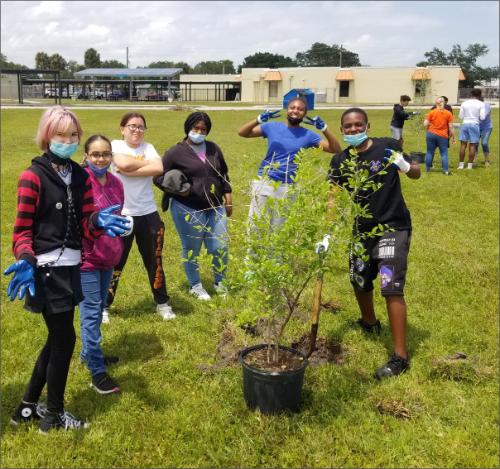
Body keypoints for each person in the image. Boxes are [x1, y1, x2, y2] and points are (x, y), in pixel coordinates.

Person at [4, 106, 131, 432]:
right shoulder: (32, 177)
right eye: (61, 135)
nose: (68, 140)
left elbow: (86, 226)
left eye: (73, 135)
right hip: (46, 271)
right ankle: (54, 416)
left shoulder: (79, 175)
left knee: (56, 338)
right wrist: (25, 258)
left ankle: (27, 407)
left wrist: (97, 221)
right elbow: (21, 231)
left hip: (73, 267)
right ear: (47, 136)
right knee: (65, 339)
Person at [329, 107, 421, 380]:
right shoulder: (340, 161)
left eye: (359, 125)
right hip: (361, 230)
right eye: (349, 126)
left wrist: (406, 166)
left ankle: (400, 357)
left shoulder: (387, 147)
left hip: (393, 226)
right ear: (343, 129)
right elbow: (332, 197)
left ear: (367, 125)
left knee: (390, 286)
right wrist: (325, 231)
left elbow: (415, 173)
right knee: (358, 279)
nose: (354, 130)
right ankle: (369, 322)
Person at [153, 112, 232, 300]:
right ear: (188, 128)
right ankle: (195, 285)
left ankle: (220, 282)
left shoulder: (213, 148)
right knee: (191, 248)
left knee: (219, 247)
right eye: (196, 128)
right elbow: (157, 175)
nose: (199, 132)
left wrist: (228, 198)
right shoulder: (176, 152)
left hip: (215, 208)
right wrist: (178, 189)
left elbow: (224, 174)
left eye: (203, 129)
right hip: (187, 208)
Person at [105, 112, 175, 321]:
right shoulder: (115, 145)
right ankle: (104, 306)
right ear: (122, 128)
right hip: (121, 214)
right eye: (132, 126)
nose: (136, 130)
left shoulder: (148, 147)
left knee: (154, 261)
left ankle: (162, 303)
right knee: (115, 262)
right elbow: (122, 164)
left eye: (141, 127)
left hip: (147, 213)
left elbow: (159, 168)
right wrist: (143, 166)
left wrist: (130, 169)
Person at [238, 97, 341, 227]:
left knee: (278, 230)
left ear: (305, 113)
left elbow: (336, 149)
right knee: (255, 227)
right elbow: (242, 133)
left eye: (300, 109)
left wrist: (325, 128)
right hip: (264, 182)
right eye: (292, 107)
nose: (295, 111)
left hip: (287, 187)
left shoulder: (308, 135)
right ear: (287, 110)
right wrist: (257, 120)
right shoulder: (272, 127)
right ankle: (252, 248)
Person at [79, 135, 130, 394]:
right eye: (95, 154)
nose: (101, 159)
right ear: (86, 156)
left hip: (109, 256)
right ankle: (97, 371)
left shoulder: (116, 183)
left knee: (98, 309)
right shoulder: (80, 182)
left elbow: (119, 215)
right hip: (86, 259)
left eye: (105, 154)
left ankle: (89, 353)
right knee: (90, 313)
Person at [424, 97, 455, 175]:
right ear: (444, 103)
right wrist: (453, 137)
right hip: (443, 135)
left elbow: (425, 124)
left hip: (431, 134)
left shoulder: (431, 112)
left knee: (430, 152)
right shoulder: (448, 113)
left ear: (436, 103)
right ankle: (445, 170)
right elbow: (451, 127)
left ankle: (427, 169)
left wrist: (428, 129)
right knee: (444, 153)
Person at [458, 88, 486, 170]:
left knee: (463, 145)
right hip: (474, 124)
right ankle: (470, 165)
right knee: (473, 145)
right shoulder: (481, 104)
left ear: (471, 94)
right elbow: (483, 117)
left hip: (465, 123)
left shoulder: (464, 103)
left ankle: (461, 165)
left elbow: (460, 116)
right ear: (479, 95)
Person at [478, 97, 493, 167]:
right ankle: (474, 159)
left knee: (484, 143)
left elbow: (484, 116)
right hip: (477, 126)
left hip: (486, 127)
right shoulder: (475, 106)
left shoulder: (486, 105)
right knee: (475, 143)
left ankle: (486, 160)